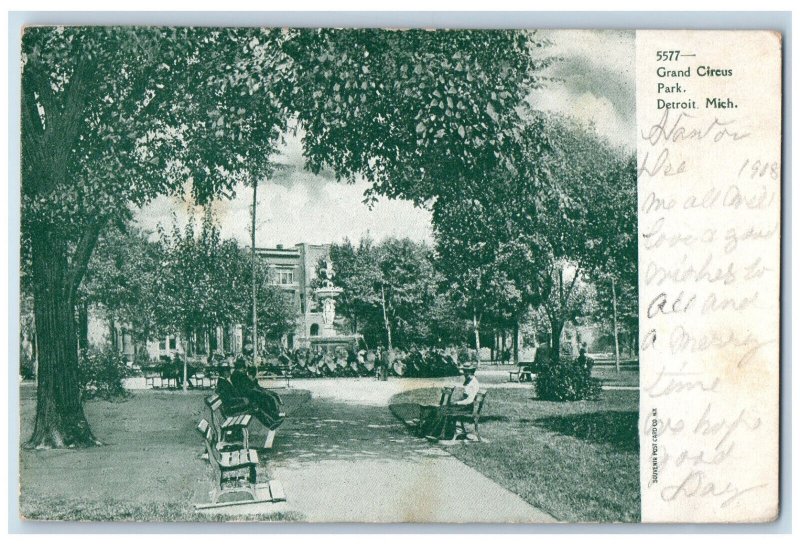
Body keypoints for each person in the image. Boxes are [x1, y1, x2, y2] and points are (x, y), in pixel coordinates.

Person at [418, 365, 480, 440]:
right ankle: (429, 432)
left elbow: (469, 400)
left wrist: (457, 403)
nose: (464, 374)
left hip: (466, 407)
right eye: (464, 371)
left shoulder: (473, 383)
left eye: (466, 372)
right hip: (462, 405)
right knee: (439, 409)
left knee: (442, 410)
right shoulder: (469, 380)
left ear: (471, 372)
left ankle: (437, 434)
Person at [230, 357, 284, 430]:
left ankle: (273, 419)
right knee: (262, 401)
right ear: (241, 367)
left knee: (264, 399)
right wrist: (258, 392)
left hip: (248, 395)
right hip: (246, 397)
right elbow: (246, 388)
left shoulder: (239, 374)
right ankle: (272, 421)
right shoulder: (238, 375)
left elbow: (249, 385)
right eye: (245, 366)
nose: (246, 368)